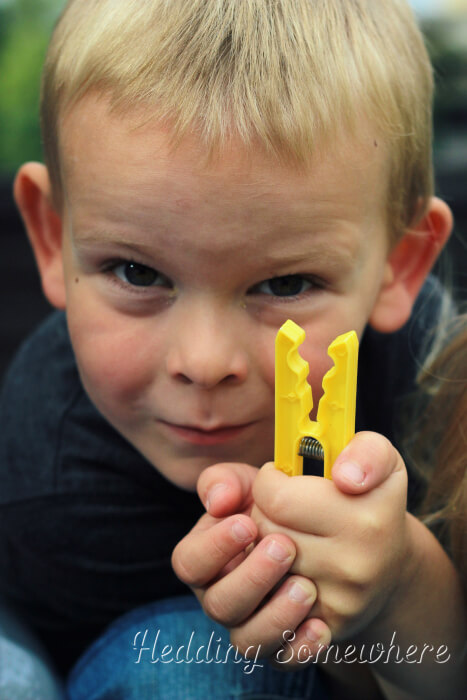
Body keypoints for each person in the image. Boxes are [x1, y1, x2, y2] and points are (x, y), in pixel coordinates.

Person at [0, 0, 463, 697]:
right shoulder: (56, 481)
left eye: (284, 283)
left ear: (397, 266)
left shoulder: (433, 370)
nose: (205, 361)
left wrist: (401, 582)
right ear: (49, 236)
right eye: (137, 272)